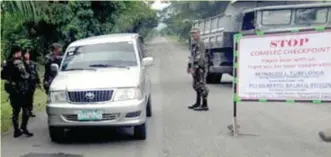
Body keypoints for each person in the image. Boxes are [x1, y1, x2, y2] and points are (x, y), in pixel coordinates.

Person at [1, 45, 33, 137]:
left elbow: (2, 75)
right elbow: (25, 75)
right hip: (21, 89)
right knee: (26, 109)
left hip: (12, 90)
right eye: (20, 52)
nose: (21, 53)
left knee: (15, 110)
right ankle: (23, 127)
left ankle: (16, 130)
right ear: (17, 52)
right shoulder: (18, 62)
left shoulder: (7, 62)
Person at [187, 27, 209, 111]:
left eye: (195, 33)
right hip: (195, 66)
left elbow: (200, 57)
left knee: (201, 85)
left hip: (200, 67)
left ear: (199, 33)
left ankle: (204, 105)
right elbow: (192, 56)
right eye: (192, 33)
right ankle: (197, 102)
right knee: (196, 85)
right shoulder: (193, 43)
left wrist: (196, 67)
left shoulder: (201, 43)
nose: (193, 35)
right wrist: (189, 66)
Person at [23, 49, 41, 117]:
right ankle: (25, 111)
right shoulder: (22, 64)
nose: (27, 55)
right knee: (25, 98)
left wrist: (38, 82)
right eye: (26, 54)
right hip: (25, 84)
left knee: (30, 98)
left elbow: (35, 73)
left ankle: (30, 111)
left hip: (32, 83)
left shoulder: (32, 63)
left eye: (28, 54)